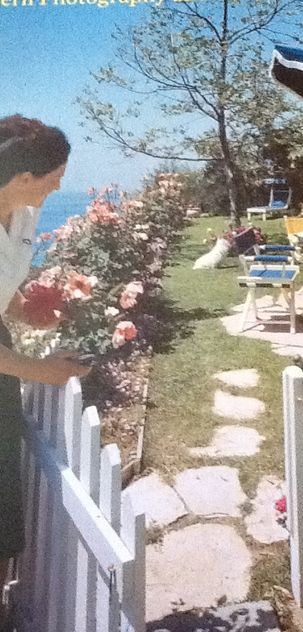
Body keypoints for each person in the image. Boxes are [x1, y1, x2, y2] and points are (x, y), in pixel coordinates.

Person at [0, 115, 91, 626]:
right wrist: (42, 371)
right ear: (23, 177)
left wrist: (23, 307)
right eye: (55, 176)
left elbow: (6, 279)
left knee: (3, 502)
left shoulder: (23, 210)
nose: (60, 184)